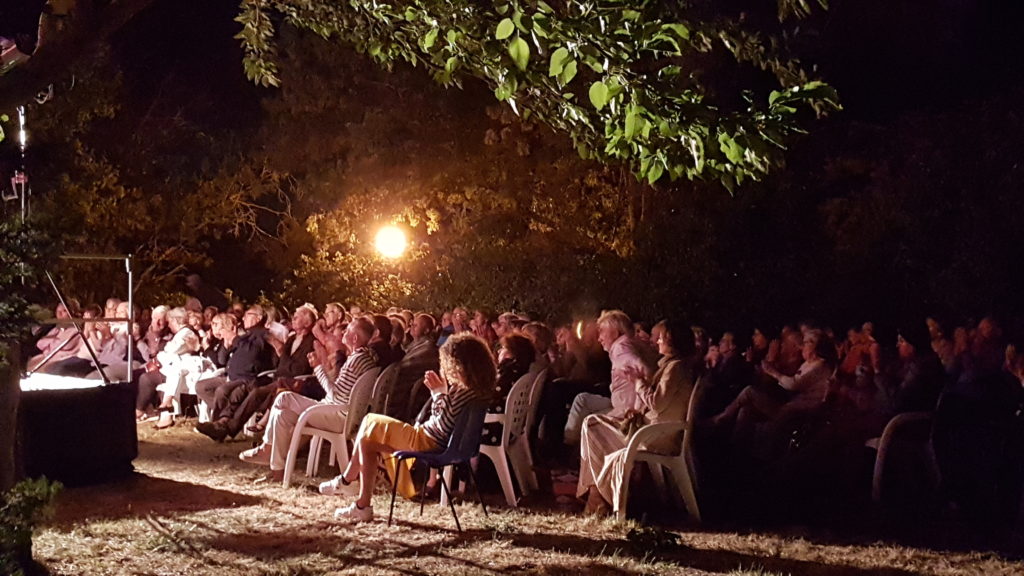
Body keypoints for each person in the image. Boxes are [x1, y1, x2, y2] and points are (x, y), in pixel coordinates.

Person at [323, 332, 496, 523]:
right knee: (369, 426)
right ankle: (350, 487)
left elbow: (444, 423)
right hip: (435, 441)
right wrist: (442, 395)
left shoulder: (463, 391)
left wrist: (438, 394)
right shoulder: (477, 391)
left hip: (427, 441)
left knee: (367, 434)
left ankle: (355, 494)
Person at [577, 319, 697, 515]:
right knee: (593, 426)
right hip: (656, 429)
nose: (657, 341)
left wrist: (638, 382)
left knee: (591, 426)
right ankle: (598, 496)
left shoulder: (675, 368)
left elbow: (657, 402)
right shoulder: (676, 366)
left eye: (661, 338)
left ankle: (601, 498)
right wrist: (640, 412)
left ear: (672, 340)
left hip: (657, 434)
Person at [237, 316, 379, 481]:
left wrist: (318, 368)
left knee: (283, 397)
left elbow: (334, 394)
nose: (343, 332)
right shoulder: (365, 357)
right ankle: (277, 472)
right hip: (339, 412)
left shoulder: (356, 361)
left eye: (347, 330)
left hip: (337, 415)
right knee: (282, 416)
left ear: (354, 338)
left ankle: (267, 448)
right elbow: (340, 391)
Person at [563, 310, 655, 445]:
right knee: (582, 399)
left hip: (625, 411)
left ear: (615, 333)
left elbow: (645, 369)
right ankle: (570, 441)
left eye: (601, 332)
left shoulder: (621, 348)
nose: (599, 338)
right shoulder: (630, 344)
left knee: (588, 423)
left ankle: (569, 445)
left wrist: (638, 408)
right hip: (620, 403)